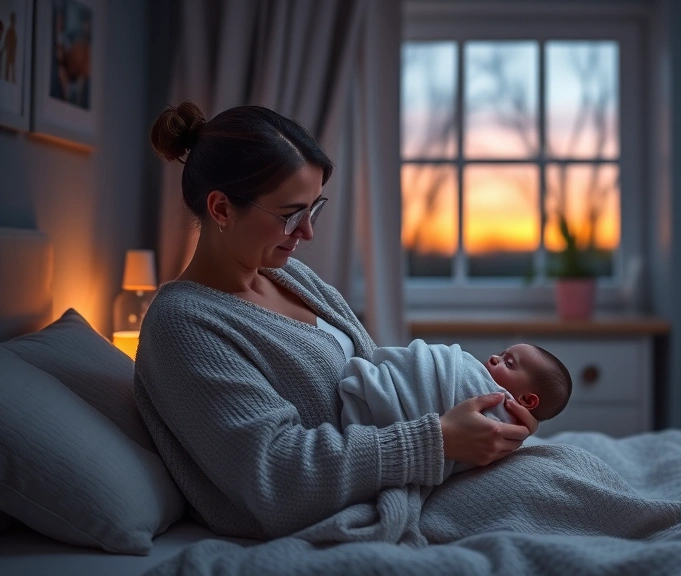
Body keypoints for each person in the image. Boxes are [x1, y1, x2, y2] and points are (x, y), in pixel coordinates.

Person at [136, 101, 539, 541]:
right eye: (291, 214)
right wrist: (439, 441)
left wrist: (495, 415)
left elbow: (380, 384)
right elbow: (277, 474)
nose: (307, 232)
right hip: (372, 495)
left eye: (315, 208)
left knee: (573, 475)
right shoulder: (183, 326)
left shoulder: (289, 275)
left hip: (419, 476)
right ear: (221, 209)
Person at [335, 340, 572, 478]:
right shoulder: (474, 377)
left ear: (527, 401)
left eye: (508, 363)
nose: (493, 358)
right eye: (501, 354)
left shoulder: (496, 410)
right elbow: (430, 370)